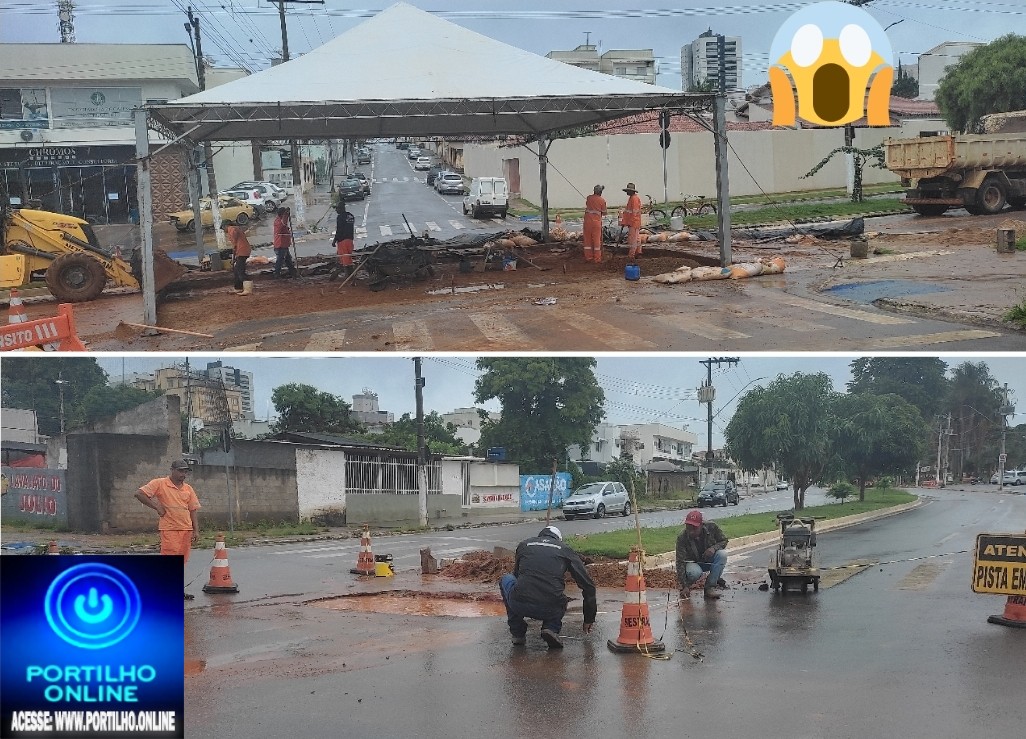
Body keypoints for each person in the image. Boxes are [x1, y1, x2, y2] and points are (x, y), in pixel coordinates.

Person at [498, 525, 596, 649]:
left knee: (507, 579)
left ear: (541, 535)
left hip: (519, 603)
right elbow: (588, 586)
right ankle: (551, 628)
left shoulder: (524, 545)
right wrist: (589, 618)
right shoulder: (565, 550)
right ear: (558, 539)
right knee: (560, 596)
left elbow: (516, 575)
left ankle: (518, 633)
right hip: (551, 607)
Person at [135, 459, 202, 600]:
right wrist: (157, 507)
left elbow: (193, 510)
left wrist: (196, 530)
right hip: (170, 530)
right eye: (180, 471)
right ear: (172, 470)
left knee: (180, 563)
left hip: (186, 530)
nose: (183, 474)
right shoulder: (160, 483)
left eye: (185, 471)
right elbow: (140, 494)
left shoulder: (188, 489)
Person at [676, 509, 728, 600]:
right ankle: (689, 585)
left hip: (709, 560)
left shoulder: (712, 527)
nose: (691, 531)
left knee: (722, 555)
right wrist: (685, 586)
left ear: (701, 524)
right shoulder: (682, 538)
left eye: (694, 528)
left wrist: (713, 548)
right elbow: (680, 562)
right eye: (689, 527)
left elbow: (724, 540)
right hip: (693, 563)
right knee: (694, 573)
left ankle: (710, 587)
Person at [329, 200, 356, 280]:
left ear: (341, 208)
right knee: (348, 258)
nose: (336, 210)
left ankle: (349, 277)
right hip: (350, 240)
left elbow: (339, 230)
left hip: (342, 241)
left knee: (345, 261)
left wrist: (334, 240)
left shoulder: (340, 217)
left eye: (337, 208)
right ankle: (350, 276)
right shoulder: (350, 216)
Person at [224, 222, 251, 294]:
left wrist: (234, 250)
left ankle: (248, 289)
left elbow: (234, 243)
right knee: (236, 270)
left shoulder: (232, 229)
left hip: (242, 251)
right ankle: (238, 287)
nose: (224, 231)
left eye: (224, 228)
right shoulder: (235, 228)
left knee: (240, 270)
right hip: (242, 251)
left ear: (226, 226)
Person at [583, 184, 607, 262]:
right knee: (596, 241)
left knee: (587, 240)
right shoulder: (602, 200)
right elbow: (604, 212)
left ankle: (588, 257)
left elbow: (588, 204)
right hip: (596, 223)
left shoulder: (589, 198)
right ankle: (597, 258)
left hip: (587, 223)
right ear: (600, 192)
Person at [272, 206, 298, 278]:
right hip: (280, 244)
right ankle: (277, 274)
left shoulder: (279, 220)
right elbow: (283, 223)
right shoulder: (278, 221)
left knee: (288, 259)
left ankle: (293, 272)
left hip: (284, 244)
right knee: (280, 260)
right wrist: (286, 214)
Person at [620, 182, 642, 260]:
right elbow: (629, 212)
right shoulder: (632, 198)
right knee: (637, 238)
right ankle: (638, 252)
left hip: (634, 223)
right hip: (634, 222)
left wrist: (629, 222)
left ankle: (631, 255)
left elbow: (634, 213)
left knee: (632, 240)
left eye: (628, 191)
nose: (627, 192)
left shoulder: (634, 199)